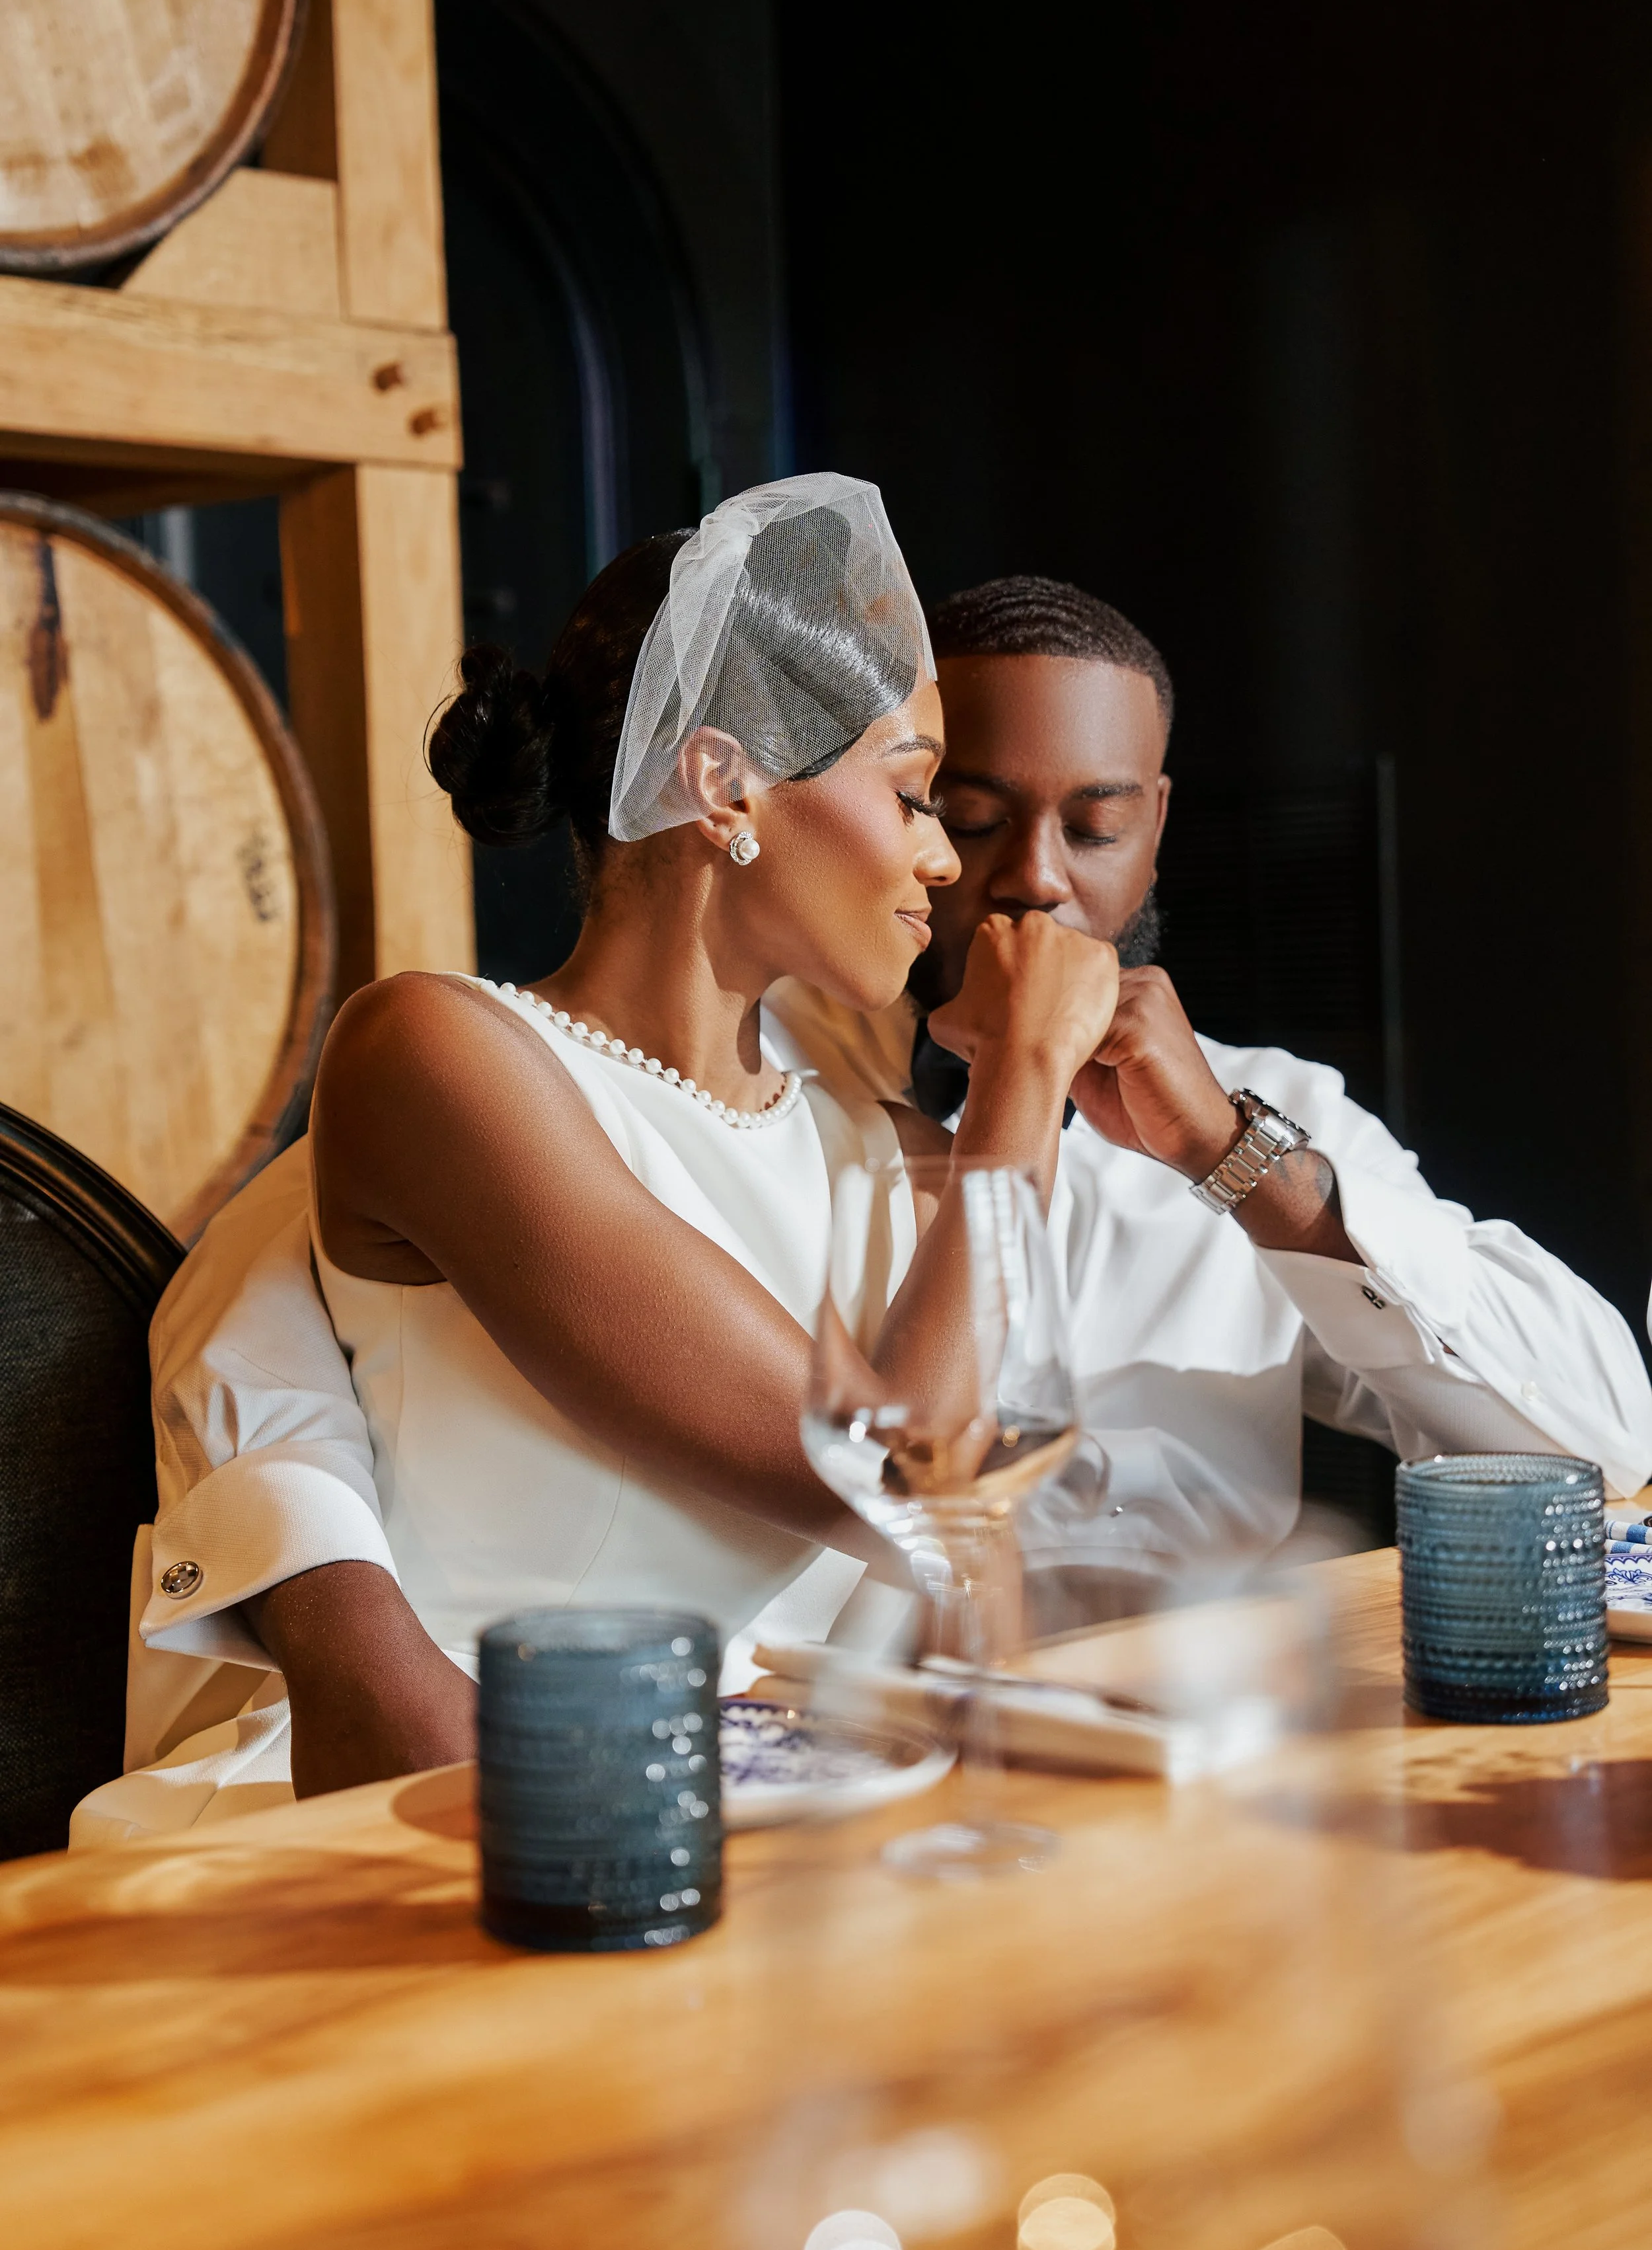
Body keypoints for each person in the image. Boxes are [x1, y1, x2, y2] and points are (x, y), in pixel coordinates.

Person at [71, 479, 1117, 1845]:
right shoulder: (438, 1052)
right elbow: (889, 1482)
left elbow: (975, 1566)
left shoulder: (889, 1157)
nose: (939, 861)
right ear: (723, 779)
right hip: (436, 1817)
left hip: (771, 1836)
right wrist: (1024, 1080)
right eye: (912, 791)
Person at [763, 576, 1652, 1620]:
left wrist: (1233, 1153)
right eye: (971, 819)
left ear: (1155, 829)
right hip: (882, 1733)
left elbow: (1603, 1438)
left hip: (1218, 1712)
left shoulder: (1268, 1102)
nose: (1037, 879)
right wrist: (1021, 1067)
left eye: (1094, 828)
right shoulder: (765, 1084)